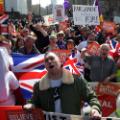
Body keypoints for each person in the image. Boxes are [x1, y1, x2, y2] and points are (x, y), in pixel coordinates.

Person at [24, 52, 101, 119]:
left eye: (52, 58)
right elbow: (34, 101)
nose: (49, 61)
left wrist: (95, 109)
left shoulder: (77, 81)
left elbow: (91, 97)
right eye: (46, 60)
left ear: (60, 61)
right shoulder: (39, 85)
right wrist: (31, 105)